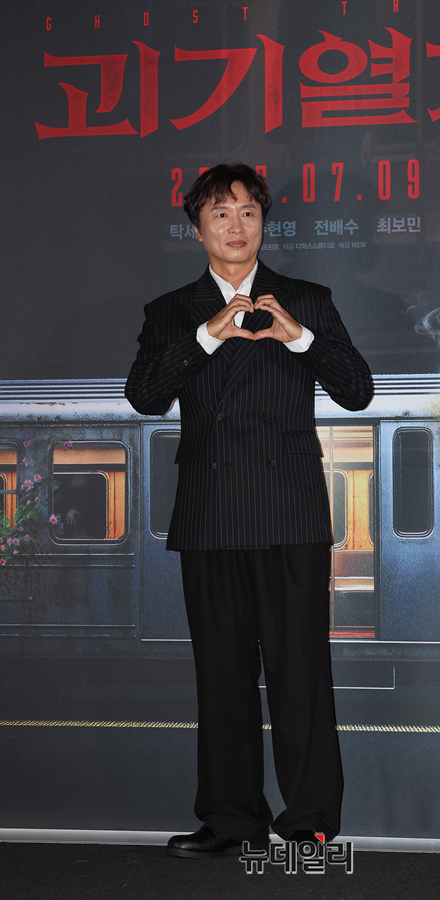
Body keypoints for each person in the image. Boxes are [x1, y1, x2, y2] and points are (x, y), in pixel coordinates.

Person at [125, 163, 373, 859]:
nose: (236, 227)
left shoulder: (307, 300)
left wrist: (300, 338)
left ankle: (311, 821)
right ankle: (231, 819)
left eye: (248, 213)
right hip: (211, 515)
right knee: (222, 677)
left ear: (263, 222)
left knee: (301, 675)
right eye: (220, 214)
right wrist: (207, 335)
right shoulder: (170, 312)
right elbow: (145, 396)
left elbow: (357, 390)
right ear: (197, 228)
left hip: (290, 511)